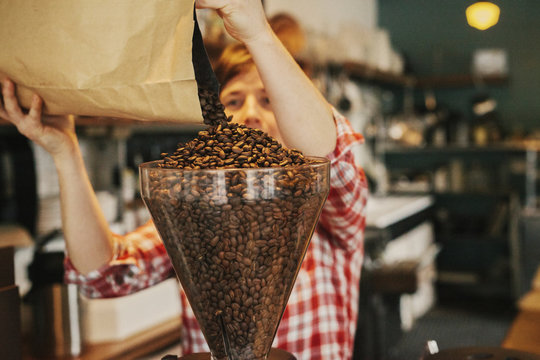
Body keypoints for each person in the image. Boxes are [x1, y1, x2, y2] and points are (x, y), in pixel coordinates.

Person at [0, 0, 368, 359]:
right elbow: (103, 275)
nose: (251, 114)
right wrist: (66, 153)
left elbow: (333, 156)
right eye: (235, 101)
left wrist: (257, 34)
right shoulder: (194, 215)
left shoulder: (327, 215)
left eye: (269, 100)